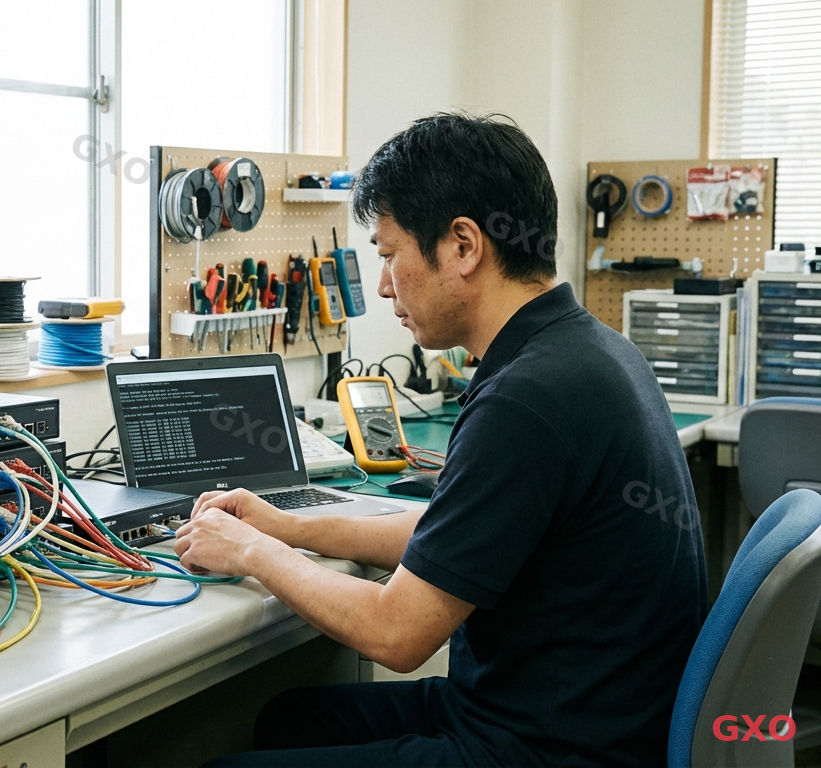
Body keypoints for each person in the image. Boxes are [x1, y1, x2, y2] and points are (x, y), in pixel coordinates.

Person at [177, 113, 707, 767]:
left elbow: (395, 634)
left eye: (389, 253)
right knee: (292, 717)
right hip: (559, 714)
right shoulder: (585, 350)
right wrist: (285, 526)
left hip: (545, 751)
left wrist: (253, 553)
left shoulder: (527, 400)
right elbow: (451, 538)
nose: (381, 284)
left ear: (462, 245)